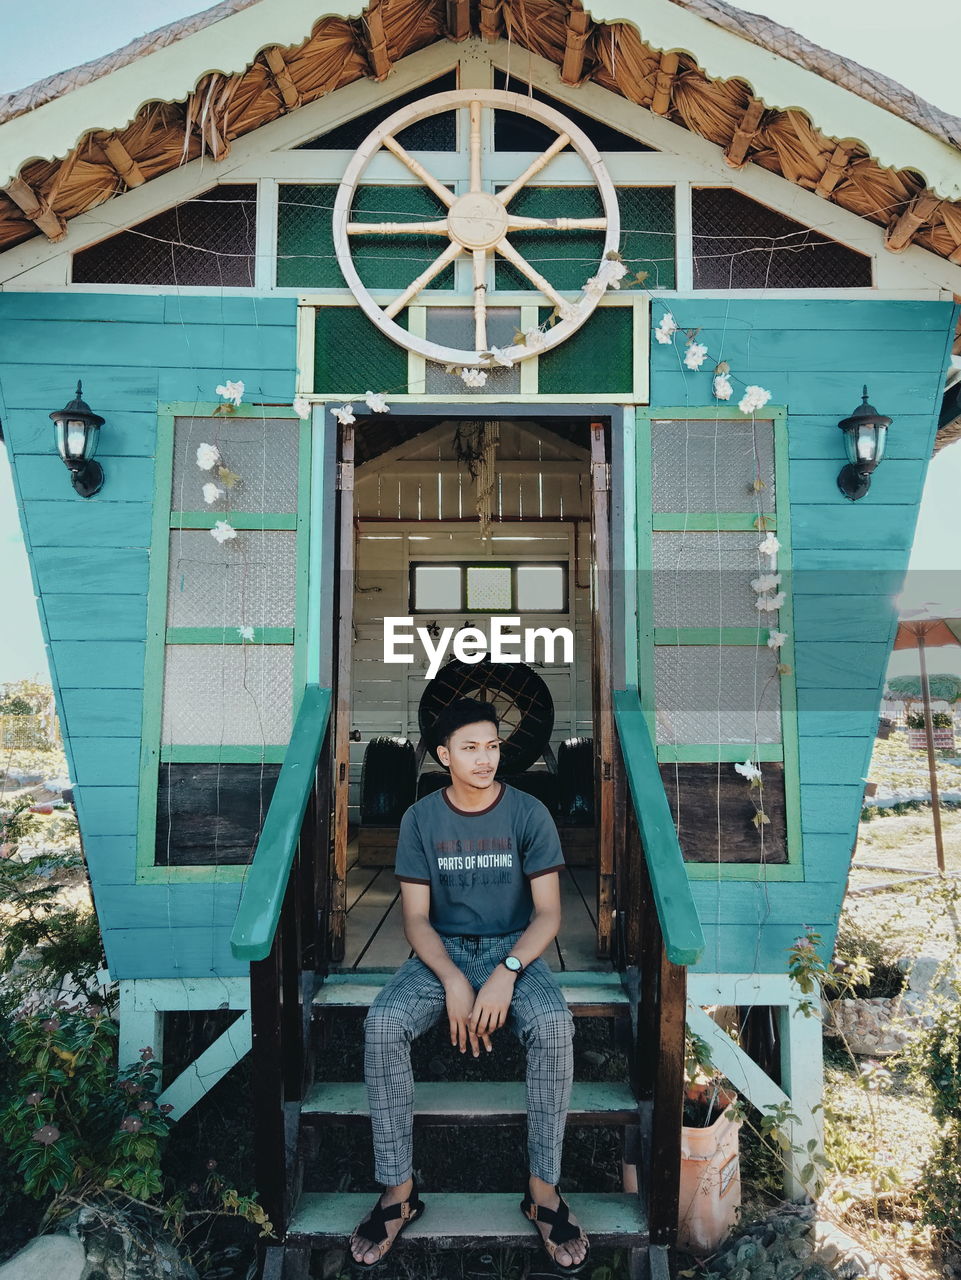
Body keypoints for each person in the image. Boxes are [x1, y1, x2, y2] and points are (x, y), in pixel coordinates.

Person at [348, 697, 590, 1273]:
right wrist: (454, 978)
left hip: (517, 950)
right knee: (382, 1022)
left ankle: (543, 1193)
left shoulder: (529, 812)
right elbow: (413, 920)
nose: (484, 759)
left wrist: (507, 973)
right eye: (469, 747)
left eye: (492, 745)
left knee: (555, 1024)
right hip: (442, 954)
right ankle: (398, 1193)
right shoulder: (420, 819)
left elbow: (549, 914)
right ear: (443, 754)